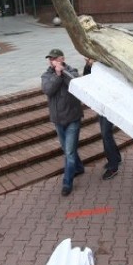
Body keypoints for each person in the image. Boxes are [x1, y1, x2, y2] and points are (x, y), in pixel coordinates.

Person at [42, 49, 85, 196]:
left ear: (62, 59)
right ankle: (78, 167)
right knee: (68, 150)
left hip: (73, 118)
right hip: (58, 120)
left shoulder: (72, 71)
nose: (52, 61)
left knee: (69, 152)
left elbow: (75, 83)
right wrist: (57, 75)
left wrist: (63, 72)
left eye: (55, 58)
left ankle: (67, 183)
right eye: (50, 59)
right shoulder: (47, 75)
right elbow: (48, 90)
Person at [83, 59, 121, 180]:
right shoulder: (93, 65)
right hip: (102, 105)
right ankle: (116, 158)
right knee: (106, 133)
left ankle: (113, 167)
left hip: (111, 105)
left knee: (106, 133)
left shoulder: (108, 64)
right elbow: (86, 78)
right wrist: (88, 65)